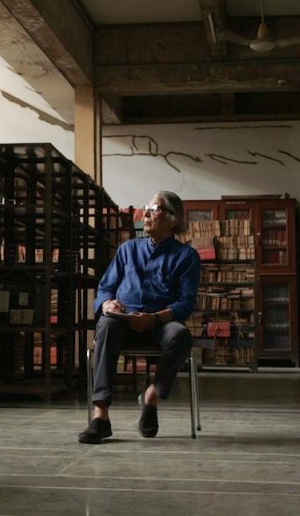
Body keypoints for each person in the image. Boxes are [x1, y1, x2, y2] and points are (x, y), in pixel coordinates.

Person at [78, 190, 200, 443]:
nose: (145, 214)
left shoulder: (186, 256)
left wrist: (153, 318)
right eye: (146, 208)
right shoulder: (127, 250)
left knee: (180, 335)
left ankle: (150, 397)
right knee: (106, 324)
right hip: (123, 322)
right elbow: (105, 288)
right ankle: (101, 416)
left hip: (160, 324)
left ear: (173, 219)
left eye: (154, 209)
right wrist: (107, 304)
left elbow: (186, 303)